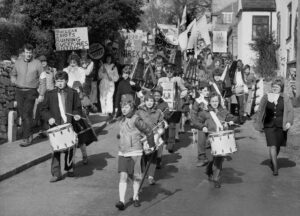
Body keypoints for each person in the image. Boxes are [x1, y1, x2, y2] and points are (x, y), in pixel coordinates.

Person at [40, 71, 83, 182]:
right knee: (56, 150)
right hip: (55, 126)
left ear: (66, 81)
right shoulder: (50, 94)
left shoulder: (73, 93)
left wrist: (77, 115)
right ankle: (56, 173)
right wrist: (49, 117)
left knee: (70, 148)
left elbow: (77, 108)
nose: (59, 83)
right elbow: (43, 109)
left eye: (61, 81)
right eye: (57, 81)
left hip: (69, 124)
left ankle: (69, 168)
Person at [115, 94, 155, 210]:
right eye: (122, 106)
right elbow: (123, 132)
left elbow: (149, 131)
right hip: (122, 152)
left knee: (136, 177)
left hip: (135, 152)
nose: (124, 109)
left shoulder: (136, 119)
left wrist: (151, 145)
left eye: (126, 107)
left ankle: (136, 196)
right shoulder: (121, 119)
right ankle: (121, 201)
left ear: (132, 107)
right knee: (123, 176)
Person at [254, 77, 294, 176]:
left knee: (278, 146)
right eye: (273, 86)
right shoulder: (266, 97)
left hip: (281, 125)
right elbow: (260, 111)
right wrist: (258, 123)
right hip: (269, 125)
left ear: (281, 88)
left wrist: (289, 121)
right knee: (272, 145)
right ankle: (275, 168)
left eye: (277, 86)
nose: (275, 88)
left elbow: (290, 111)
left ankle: (273, 159)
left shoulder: (285, 97)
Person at [10, 43, 46, 147]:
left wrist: (42, 94)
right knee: (23, 114)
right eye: (26, 52)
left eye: (30, 52)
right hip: (19, 91)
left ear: (32, 53)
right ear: (23, 53)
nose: (28, 54)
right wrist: (14, 81)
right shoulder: (18, 62)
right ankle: (28, 133)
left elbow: (43, 79)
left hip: (31, 91)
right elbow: (13, 74)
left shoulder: (37, 63)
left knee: (26, 113)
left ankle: (26, 138)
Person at [203, 93, 239, 188]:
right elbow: (198, 121)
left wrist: (232, 120)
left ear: (219, 101)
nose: (215, 103)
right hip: (209, 140)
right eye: (213, 101)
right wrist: (203, 127)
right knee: (210, 160)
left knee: (218, 161)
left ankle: (216, 179)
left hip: (220, 140)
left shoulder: (223, 111)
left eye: (216, 101)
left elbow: (232, 117)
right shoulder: (205, 112)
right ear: (209, 102)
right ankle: (209, 170)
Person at [157, 63, 188, 153]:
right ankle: (164, 140)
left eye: (171, 71)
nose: (169, 73)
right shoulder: (161, 80)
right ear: (165, 71)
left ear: (173, 71)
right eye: (167, 71)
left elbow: (184, 89)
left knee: (172, 125)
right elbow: (158, 90)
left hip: (174, 106)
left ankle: (171, 143)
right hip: (163, 106)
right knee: (163, 124)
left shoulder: (177, 79)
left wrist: (180, 96)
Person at [137, 92, 166, 185]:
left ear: (154, 102)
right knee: (143, 156)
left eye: (152, 101)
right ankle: (144, 171)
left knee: (152, 156)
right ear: (144, 101)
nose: (150, 103)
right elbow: (135, 123)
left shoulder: (158, 112)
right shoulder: (139, 112)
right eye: (148, 101)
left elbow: (162, 123)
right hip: (142, 136)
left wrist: (161, 125)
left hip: (154, 136)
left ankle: (151, 176)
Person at [72, 81, 98, 165]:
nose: (76, 90)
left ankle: (85, 156)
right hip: (73, 122)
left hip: (82, 123)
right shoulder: (71, 97)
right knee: (72, 143)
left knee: (81, 141)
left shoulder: (84, 97)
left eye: (77, 88)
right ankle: (71, 161)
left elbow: (94, 109)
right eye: (74, 88)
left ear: (80, 89)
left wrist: (91, 106)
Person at [190, 81, 210, 167]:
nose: (207, 92)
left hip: (211, 124)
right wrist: (199, 126)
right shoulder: (197, 101)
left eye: (208, 90)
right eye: (205, 91)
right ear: (200, 91)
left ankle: (212, 158)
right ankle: (202, 158)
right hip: (202, 125)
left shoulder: (212, 99)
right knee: (201, 141)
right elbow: (193, 116)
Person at [153, 86, 170, 169]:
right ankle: (151, 158)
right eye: (155, 95)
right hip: (151, 126)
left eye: (158, 95)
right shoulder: (149, 101)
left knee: (160, 142)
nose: (156, 97)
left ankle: (159, 159)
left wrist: (162, 117)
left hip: (160, 126)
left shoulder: (165, 104)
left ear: (161, 95)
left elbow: (167, 113)